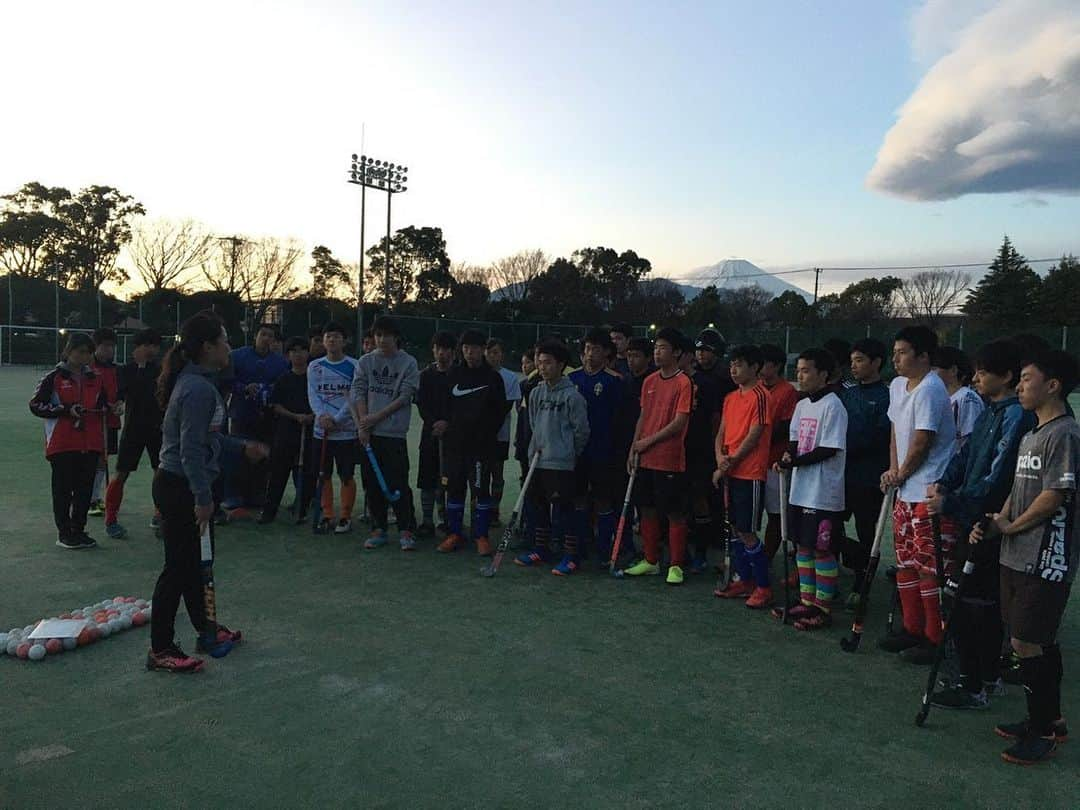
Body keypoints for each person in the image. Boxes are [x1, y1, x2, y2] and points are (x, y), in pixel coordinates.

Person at [970, 349, 1079, 765]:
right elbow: (1021, 493)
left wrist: (1012, 528)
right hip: (1017, 554)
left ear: (1053, 385)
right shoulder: (1033, 433)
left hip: (1045, 556)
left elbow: (1054, 495)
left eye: (1027, 378)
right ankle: (1051, 719)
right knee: (1032, 639)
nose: (1019, 385)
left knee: (1026, 640)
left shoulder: (1065, 433)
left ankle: (1043, 730)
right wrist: (997, 520)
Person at [149, 310, 267, 672]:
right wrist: (203, 498)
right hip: (181, 487)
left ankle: (206, 629)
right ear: (206, 347)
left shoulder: (199, 382)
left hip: (188, 484)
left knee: (198, 565)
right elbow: (189, 451)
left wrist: (240, 447)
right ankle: (161, 649)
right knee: (178, 569)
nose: (229, 347)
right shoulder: (198, 388)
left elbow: (208, 438)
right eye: (225, 340)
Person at [926, 339, 1033, 710]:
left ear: (1006, 376)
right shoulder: (991, 410)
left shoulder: (1016, 415)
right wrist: (944, 482)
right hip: (972, 517)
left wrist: (953, 502)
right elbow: (967, 454)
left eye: (984, 372)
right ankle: (980, 676)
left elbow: (998, 478)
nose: (977, 378)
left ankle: (976, 684)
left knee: (974, 603)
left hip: (986, 523)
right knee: (968, 600)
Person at [879, 325, 959, 664]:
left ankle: (934, 637)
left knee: (930, 566)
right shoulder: (898, 386)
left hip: (928, 490)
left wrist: (903, 472)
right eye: (895, 352)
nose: (895, 358)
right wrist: (894, 470)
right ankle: (912, 628)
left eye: (903, 352)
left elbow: (923, 441)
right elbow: (897, 432)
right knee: (906, 561)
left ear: (923, 356)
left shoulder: (931, 389)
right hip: (905, 491)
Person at [775, 348, 848, 630]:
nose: (800, 375)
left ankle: (822, 608)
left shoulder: (834, 405)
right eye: (799, 370)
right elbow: (794, 440)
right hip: (800, 490)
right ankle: (805, 602)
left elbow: (829, 448)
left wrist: (795, 461)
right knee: (802, 547)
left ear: (824, 374)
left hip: (823, 493)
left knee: (822, 550)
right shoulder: (803, 405)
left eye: (806, 370)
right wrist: (786, 458)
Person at [623, 328, 693, 585]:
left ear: (676, 352)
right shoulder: (649, 381)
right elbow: (643, 416)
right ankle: (651, 561)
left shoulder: (684, 382)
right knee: (647, 510)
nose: (657, 352)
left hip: (669, 458)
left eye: (663, 347)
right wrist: (634, 447)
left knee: (674, 512)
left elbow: (679, 422)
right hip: (645, 458)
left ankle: (676, 565)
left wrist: (648, 442)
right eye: (656, 347)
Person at [29, 332, 108, 550]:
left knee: (84, 490)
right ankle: (64, 533)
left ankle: (79, 530)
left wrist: (109, 408)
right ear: (68, 351)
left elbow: (102, 404)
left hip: (90, 443)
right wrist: (65, 410)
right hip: (62, 443)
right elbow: (36, 405)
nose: (84, 356)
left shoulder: (96, 379)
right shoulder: (53, 378)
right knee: (63, 490)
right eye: (80, 351)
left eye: (88, 353)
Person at [516, 341, 589, 567]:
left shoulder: (573, 396)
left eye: (548, 363)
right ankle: (540, 550)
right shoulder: (535, 392)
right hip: (538, 461)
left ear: (560, 365)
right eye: (539, 362)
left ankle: (570, 555)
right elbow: (533, 422)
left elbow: (581, 431)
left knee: (564, 511)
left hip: (562, 463)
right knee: (538, 508)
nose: (542, 367)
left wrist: (566, 451)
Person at [351, 316, 420, 550]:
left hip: (394, 433)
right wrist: (363, 424)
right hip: (369, 434)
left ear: (396, 337)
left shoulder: (408, 363)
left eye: (386, 335)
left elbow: (404, 397)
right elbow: (359, 391)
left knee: (398, 481)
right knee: (371, 483)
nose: (381, 339)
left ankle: (406, 529)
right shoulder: (365, 361)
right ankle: (378, 528)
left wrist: (375, 418)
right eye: (378, 335)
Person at [436, 329, 507, 555]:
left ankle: (481, 536)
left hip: (481, 448)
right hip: (455, 447)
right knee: (454, 491)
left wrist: (484, 435)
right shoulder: (453, 375)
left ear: (482, 350)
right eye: (466, 348)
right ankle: (455, 534)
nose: (470, 352)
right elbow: (445, 408)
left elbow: (499, 412)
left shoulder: (493, 378)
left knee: (480, 492)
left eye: (475, 348)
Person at [713, 344, 774, 607]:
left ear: (755, 368)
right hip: (729, 470)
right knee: (736, 529)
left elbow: (755, 434)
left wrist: (731, 461)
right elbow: (721, 433)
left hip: (750, 473)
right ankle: (744, 581)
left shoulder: (761, 396)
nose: (734, 369)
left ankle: (763, 586)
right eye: (732, 364)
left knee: (747, 531)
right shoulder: (730, 398)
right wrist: (719, 459)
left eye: (740, 364)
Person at [563, 329, 624, 574]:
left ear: (607, 352)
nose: (590, 354)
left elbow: (620, 420)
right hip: (577, 452)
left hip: (603, 451)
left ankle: (604, 549)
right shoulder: (572, 379)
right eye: (587, 348)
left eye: (596, 349)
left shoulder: (614, 381)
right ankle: (577, 547)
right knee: (577, 499)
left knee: (603, 500)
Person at [837, 337, 892, 607]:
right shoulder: (847, 393)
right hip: (841, 475)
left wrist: (846, 447)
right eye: (852, 361)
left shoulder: (887, 396)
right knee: (829, 526)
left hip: (870, 479)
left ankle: (862, 583)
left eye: (859, 360)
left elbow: (880, 436)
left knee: (866, 531)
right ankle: (851, 564)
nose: (854, 366)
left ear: (876, 363)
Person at [222, 322, 288, 516]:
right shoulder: (237, 356)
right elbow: (227, 380)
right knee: (237, 454)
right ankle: (233, 496)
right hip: (241, 413)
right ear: (255, 336)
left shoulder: (280, 362)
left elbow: (283, 385)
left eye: (270, 336)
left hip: (268, 416)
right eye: (263, 334)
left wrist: (271, 390)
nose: (266, 338)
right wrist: (244, 388)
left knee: (264, 456)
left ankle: (258, 495)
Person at [105, 328, 163, 539]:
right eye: (147, 345)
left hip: (159, 429)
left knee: (161, 472)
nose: (152, 350)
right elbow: (123, 393)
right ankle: (111, 519)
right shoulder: (126, 370)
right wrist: (118, 404)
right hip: (133, 429)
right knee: (121, 473)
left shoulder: (161, 369)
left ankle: (160, 514)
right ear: (137, 347)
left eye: (155, 346)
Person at [307, 322, 359, 534]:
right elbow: (313, 394)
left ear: (345, 341)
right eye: (328, 336)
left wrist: (337, 419)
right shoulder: (314, 366)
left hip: (345, 432)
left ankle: (345, 516)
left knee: (346, 474)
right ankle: (327, 514)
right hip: (321, 431)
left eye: (337, 337)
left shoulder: (355, 366)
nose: (331, 340)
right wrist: (321, 416)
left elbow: (354, 397)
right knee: (323, 474)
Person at [260, 337, 315, 525]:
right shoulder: (283, 379)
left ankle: (302, 511)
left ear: (308, 353)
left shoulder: (315, 378)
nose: (298, 354)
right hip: (286, 432)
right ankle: (269, 512)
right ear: (288, 355)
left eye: (302, 350)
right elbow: (275, 405)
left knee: (307, 473)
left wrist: (312, 416)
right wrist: (295, 416)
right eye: (293, 351)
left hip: (310, 431)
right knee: (278, 472)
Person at [679, 337, 722, 574]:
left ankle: (701, 553)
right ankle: (680, 551)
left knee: (699, 500)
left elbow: (715, 418)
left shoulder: (706, 383)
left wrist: (715, 448)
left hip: (700, 450)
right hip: (674, 449)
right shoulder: (670, 380)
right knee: (677, 502)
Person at [759, 343, 799, 564]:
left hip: (775, 463)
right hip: (754, 462)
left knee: (776, 514)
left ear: (776, 366)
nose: (759, 368)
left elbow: (786, 426)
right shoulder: (755, 388)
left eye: (763, 364)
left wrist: (756, 436)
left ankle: (767, 557)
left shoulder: (787, 391)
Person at [416, 331, 455, 536]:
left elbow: (460, 405)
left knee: (447, 479)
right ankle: (427, 520)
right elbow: (422, 405)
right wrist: (434, 423)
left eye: (446, 349)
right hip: (429, 434)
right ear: (433, 350)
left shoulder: (459, 375)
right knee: (427, 479)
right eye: (438, 349)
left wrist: (447, 423)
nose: (442, 353)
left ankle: (444, 519)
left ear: (453, 352)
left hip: (452, 436)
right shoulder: (425, 375)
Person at [485, 338, 522, 527]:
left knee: (497, 475)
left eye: (497, 352)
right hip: (479, 436)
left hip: (500, 435)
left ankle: (494, 511)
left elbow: (513, 407)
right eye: (490, 352)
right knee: (478, 475)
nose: (493, 356)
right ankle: (480, 511)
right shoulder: (477, 375)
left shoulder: (510, 377)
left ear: (502, 355)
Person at [88, 327, 122, 516]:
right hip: (92, 421)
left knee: (103, 460)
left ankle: (94, 498)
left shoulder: (115, 370)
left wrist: (119, 404)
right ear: (96, 346)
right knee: (91, 460)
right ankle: (89, 498)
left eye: (112, 346)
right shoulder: (88, 368)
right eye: (105, 346)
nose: (110, 350)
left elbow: (120, 393)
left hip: (110, 421)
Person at [934, 345, 985, 453]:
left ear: (953, 370)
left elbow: (970, 439)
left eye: (934, 369)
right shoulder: (940, 398)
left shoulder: (967, 398)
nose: (930, 374)